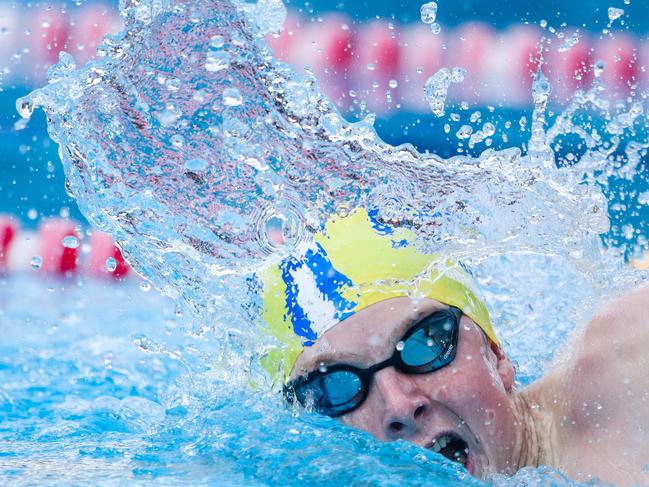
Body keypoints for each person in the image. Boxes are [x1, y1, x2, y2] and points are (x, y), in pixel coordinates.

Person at [259, 208, 649, 486]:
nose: (398, 406)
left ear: (496, 355)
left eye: (423, 345)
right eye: (337, 386)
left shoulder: (625, 372)